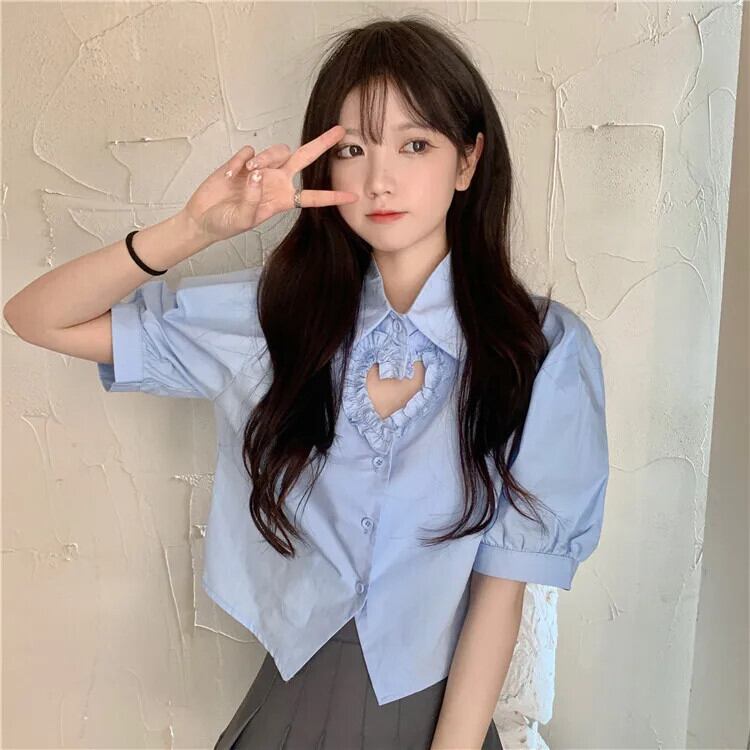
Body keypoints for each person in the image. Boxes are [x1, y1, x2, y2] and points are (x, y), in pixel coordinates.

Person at [3, 14, 609, 750]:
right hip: (286, 709)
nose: (379, 179)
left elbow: (500, 591)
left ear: (467, 160)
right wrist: (193, 229)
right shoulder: (277, 320)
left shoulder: (539, 351)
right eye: (353, 149)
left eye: (415, 144)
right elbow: (36, 318)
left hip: (437, 717)